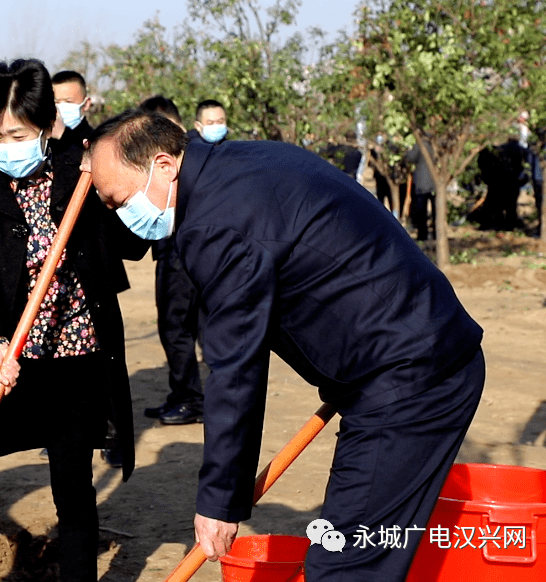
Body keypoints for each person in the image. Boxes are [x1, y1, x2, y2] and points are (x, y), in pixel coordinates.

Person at [87, 109, 484, 582]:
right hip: (406, 351)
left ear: (165, 165)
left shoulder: (213, 225)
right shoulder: (240, 163)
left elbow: (236, 366)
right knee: (362, 553)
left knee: (344, 566)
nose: (119, 213)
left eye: (119, 200)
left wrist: (220, 501)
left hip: (411, 374)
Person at [0, 59, 148, 582]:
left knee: (73, 486)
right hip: (7, 359)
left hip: (74, 358)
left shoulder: (83, 172)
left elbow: (132, 245)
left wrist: (122, 185)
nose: (4, 145)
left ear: (46, 127)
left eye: (16, 133)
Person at [138, 96, 204, 425]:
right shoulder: (187, 155)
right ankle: (183, 395)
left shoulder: (181, 159)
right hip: (177, 251)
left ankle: (189, 399)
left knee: (176, 327)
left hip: (180, 252)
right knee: (181, 326)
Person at [51, 70, 93, 152]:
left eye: (68, 102)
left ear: (86, 104)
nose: (61, 107)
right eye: (56, 102)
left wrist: (64, 135)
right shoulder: (44, 138)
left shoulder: (96, 139)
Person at [405, 142, 437, 240]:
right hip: (435, 183)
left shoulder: (420, 143)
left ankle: (423, 235)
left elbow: (410, 157)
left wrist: (406, 151)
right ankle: (436, 233)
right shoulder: (436, 142)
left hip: (422, 183)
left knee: (421, 211)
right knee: (436, 211)